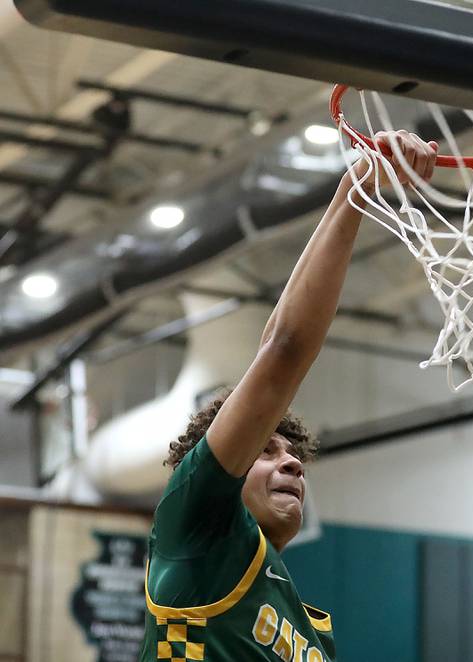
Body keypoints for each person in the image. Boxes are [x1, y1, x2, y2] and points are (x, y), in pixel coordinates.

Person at [138, 130, 438, 662]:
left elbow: (273, 354)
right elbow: (282, 352)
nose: (294, 465)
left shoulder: (314, 633)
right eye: (268, 450)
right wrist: (357, 190)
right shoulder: (197, 533)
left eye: (293, 454)